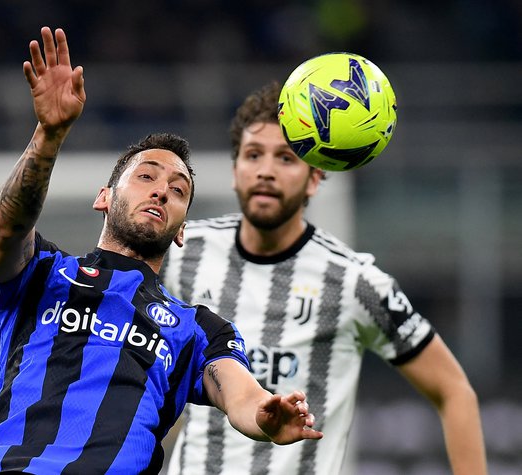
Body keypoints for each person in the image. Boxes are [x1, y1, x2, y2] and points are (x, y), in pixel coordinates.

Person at [0, 28, 323, 475]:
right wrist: (50, 133)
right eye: (146, 177)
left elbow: (239, 392)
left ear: (180, 231)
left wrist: (265, 415)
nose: (161, 193)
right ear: (105, 197)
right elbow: (9, 225)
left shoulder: (198, 329)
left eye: (178, 190)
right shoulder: (43, 275)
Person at [161, 82, 488, 475]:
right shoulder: (182, 250)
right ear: (234, 171)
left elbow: (454, 391)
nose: (265, 170)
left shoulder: (356, 282)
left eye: (285, 158)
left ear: (314, 179)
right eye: (253, 155)